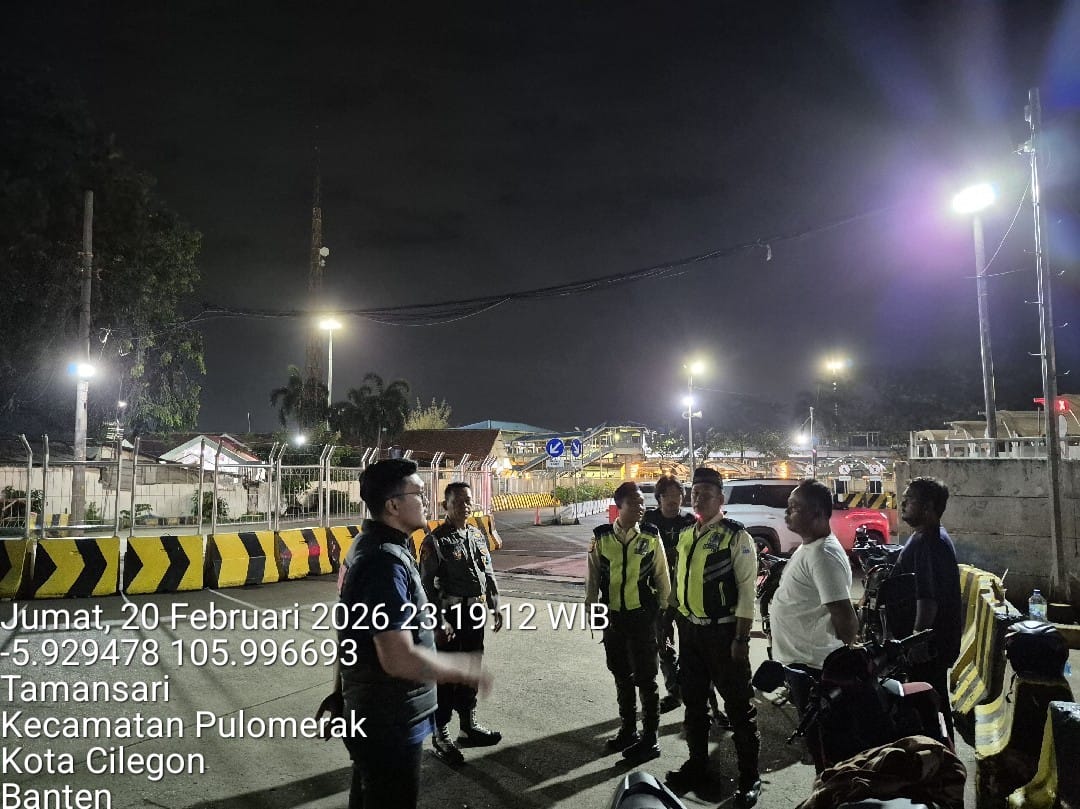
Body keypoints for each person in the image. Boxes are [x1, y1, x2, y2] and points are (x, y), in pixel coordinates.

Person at [316, 459, 491, 809]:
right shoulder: (383, 560)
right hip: (389, 720)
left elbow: (353, 627)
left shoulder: (373, 546)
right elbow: (396, 658)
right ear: (393, 505)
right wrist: (464, 669)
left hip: (375, 712)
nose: (426, 501)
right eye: (419, 494)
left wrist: (340, 693)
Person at [667, 467, 761, 808]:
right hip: (690, 632)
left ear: (720, 499)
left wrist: (741, 639)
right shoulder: (687, 534)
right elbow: (679, 582)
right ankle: (698, 765)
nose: (698, 499)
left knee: (738, 708)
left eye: (705, 495)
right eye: (694, 494)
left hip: (724, 634)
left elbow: (747, 592)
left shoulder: (736, 536)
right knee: (694, 704)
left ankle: (750, 778)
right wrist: (671, 622)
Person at [769, 478, 858, 770]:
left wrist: (843, 657)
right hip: (802, 663)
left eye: (795, 508)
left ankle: (831, 786)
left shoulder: (823, 554)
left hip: (814, 668)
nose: (787, 513)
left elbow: (844, 614)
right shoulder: (810, 547)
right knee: (817, 743)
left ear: (817, 513)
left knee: (825, 746)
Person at [586, 481, 671, 763]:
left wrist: (665, 614)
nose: (641, 507)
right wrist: (592, 609)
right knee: (621, 674)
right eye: (634, 503)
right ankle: (628, 730)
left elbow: (662, 575)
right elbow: (592, 577)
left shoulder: (650, 535)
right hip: (613, 619)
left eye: (642, 502)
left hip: (643, 618)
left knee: (646, 678)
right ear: (619, 506)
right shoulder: (601, 537)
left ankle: (650, 738)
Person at [419, 482, 503, 765]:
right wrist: (437, 620)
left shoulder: (477, 535)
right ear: (446, 505)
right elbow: (426, 587)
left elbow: (487, 573)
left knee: (470, 669)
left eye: (468, 501)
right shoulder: (435, 542)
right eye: (458, 501)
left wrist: (495, 604)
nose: (465, 506)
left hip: (475, 612)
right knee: (446, 676)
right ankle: (440, 733)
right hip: (450, 616)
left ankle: (468, 726)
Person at [891, 476, 961, 741]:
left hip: (928, 648)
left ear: (928, 506)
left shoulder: (929, 543)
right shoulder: (928, 537)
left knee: (929, 708)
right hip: (933, 645)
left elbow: (928, 598)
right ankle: (941, 752)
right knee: (932, 704)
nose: (903, 503)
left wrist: (917, 640)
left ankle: (940, 755)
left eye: (909, 499)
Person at [642, 475, 696, 712]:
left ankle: (693, 692)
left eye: (678, 495)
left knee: (690, 646)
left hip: (686, 593)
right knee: (663, 645)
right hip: (657, 593)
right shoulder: (649, 520)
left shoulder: (689, 521)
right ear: (659, 498)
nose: (673, 500)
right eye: (668, 495)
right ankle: (675, 692)